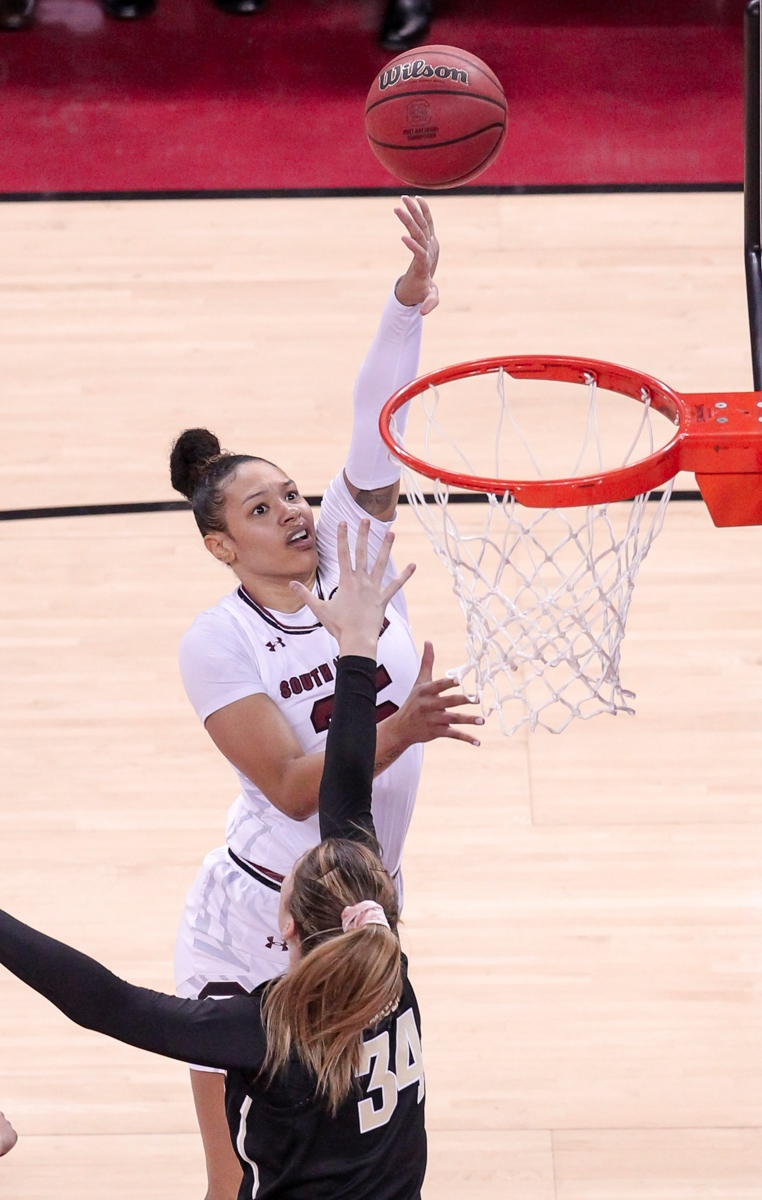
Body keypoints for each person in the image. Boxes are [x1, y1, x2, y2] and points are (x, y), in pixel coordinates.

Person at [170, 197, 481, 1200]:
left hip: (359, 910)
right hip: (260, 922)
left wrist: (409, 301)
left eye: (294, 493)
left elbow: (371, 423)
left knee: (352, 1161)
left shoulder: (353, 548)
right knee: (239, 1180)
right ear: (224, 546)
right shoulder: (218, 644)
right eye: (262, 510)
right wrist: (403, 725)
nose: (295, 512)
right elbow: (304, 791)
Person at [0, 519, 447, 1199]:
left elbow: (105, 1002)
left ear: (288, 928)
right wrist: (354, 648)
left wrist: (356, 649)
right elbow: (347, 794)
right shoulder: (386, 974)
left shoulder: (273, 1029)